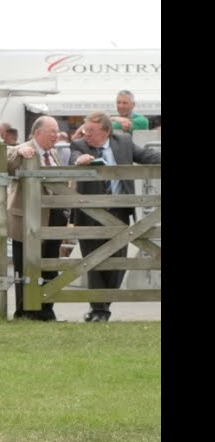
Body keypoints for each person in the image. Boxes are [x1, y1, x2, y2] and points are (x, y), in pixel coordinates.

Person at [66, 111, 160, 322]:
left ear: (106, 131)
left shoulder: (123, 142)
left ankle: (103, 306)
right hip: (90, 213)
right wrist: (80, 159)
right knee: (94, 262)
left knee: (118, 262)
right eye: (85, 130)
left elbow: (147, 156)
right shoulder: (80, 145)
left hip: (119, 212)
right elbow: (74, 157)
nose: (86, 134)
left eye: (91, 131)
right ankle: (99, 310)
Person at [6, 115, 68, 321]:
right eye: (52, 131)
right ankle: (24, 311)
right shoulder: (24, 149)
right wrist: (19, 152)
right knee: (25, 266)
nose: (56, 135)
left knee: (50, 265)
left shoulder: (54, 153)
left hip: (53, 217)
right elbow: (6, 162)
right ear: (37, 132)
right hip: (26, 219)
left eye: (57, 131)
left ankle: (46, 310)